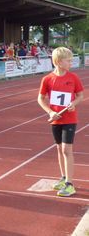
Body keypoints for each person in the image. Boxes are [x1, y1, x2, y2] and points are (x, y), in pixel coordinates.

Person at [37, 47, 84, 197]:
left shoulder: (73, 77)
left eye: (71, 60)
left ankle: (70, 184)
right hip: (56, 120)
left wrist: (73, 104)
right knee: (59, 149)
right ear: (58, 62)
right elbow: (40, 98)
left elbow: (80, 95)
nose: (71, 62)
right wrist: (50, 112)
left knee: (66, 150)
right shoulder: (47, 79)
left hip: (69, 119)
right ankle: (63, 178)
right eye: (68, 60)